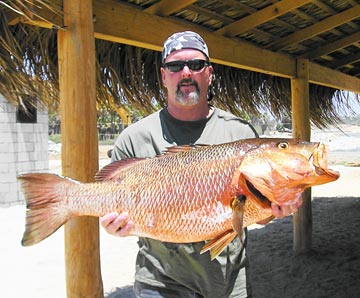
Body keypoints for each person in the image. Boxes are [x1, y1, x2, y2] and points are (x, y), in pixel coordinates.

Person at [100, 31, 302, 298]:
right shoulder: (134, 137)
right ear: (163, 75)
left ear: (209, 73)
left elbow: (252, 213)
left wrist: (275, 209)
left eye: (196, 65)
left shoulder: (240, 133)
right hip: (159, 285)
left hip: (228, 285)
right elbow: (108, 197)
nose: (186, 72)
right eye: (175, 66)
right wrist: (112, 224)